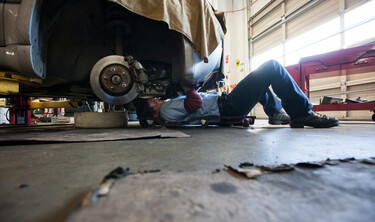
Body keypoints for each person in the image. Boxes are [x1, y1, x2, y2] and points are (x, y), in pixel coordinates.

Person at [136, 60, 339, 128]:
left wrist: (185, 90)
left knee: (259, 83)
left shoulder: (167, 110)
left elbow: (190, 105)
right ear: (154, 114)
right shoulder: (167, 110)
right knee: (271, 67)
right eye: (153, 103)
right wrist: (188, 87)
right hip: (228, 107)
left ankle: (275, 113)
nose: (156, 99)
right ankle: (301, 113)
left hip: (225, 106)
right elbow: (194, 104)